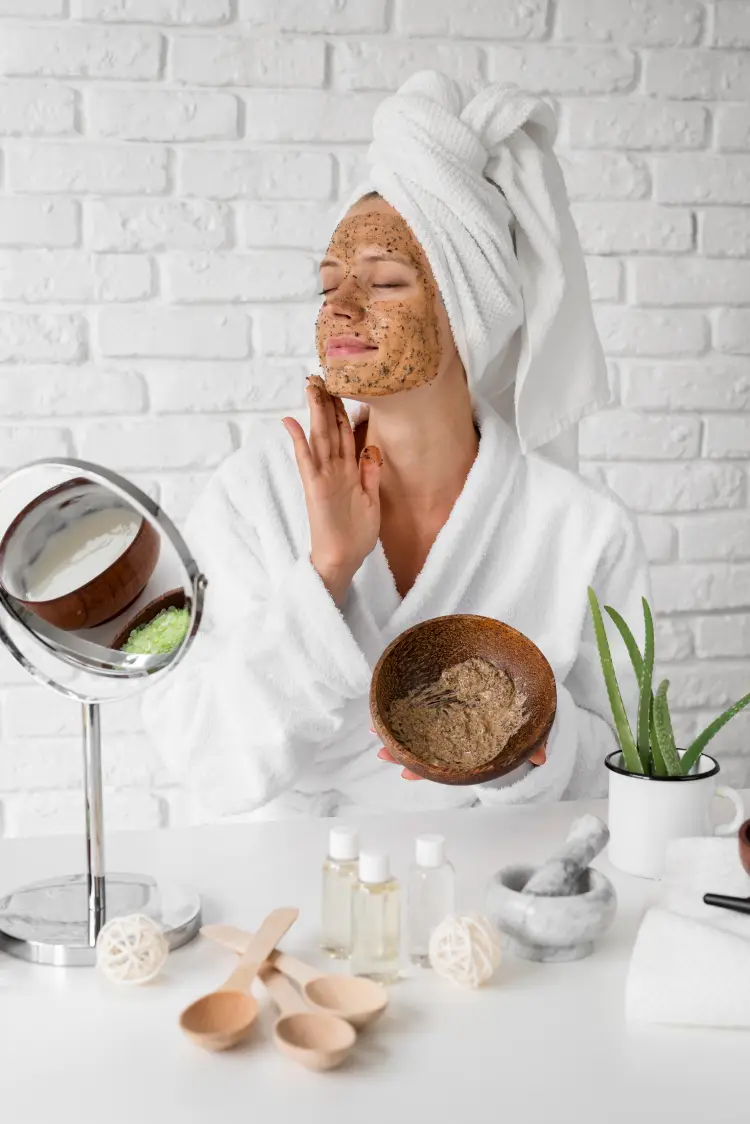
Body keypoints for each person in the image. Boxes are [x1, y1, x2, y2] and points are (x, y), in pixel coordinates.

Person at [141, 72, 650, 823]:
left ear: (469, 313)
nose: (341, 308)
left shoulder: (580, 528)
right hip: (289, 909)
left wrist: (525, 743)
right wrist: (325, 575)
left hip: (487, 903)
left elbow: (628, 771)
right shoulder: (255, 495)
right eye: (327, 285)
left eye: (383, 282)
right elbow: (203, 760)